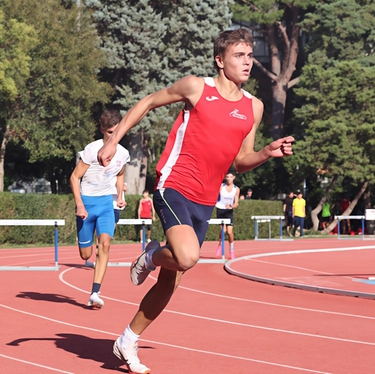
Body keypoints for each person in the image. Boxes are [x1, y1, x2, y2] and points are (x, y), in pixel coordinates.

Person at [98, 29, 294, 373]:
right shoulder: (196, 87)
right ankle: (151, 255)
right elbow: (146, 102)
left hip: (206, 199)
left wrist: (265, 152)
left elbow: (241, 161)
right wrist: (114, 141)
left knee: (172, 278)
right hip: (174, 184)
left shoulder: (254, 107)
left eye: (250, 55)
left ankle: (127, 340)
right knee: (187, 257)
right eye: (239, 55)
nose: (247, 61)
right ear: (220, 61)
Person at [70, 109, 130, 308]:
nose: (114, 136)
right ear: (103, 129)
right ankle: (85, 240)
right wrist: (79, 204)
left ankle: (95, 292)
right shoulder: (91, 149)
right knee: (86, 255)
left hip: (106, 203)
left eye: (117, 131)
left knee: (105, 244)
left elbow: (120, 175)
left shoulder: (123, 153)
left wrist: (119, 196)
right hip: (87, 203)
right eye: (110, 132)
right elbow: (74, 177)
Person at [215, 172, 240, 259]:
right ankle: (220, 245)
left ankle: (231, 250)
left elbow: (236, 203)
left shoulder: (236, 189)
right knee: (223, 231)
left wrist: (231, 206)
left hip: (229, 211)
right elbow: (214, 196)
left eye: (230, 177)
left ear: (234, 177)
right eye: (227, 177)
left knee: (229, 232)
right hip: (220, 209)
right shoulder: (221, 186)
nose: (229, 179)